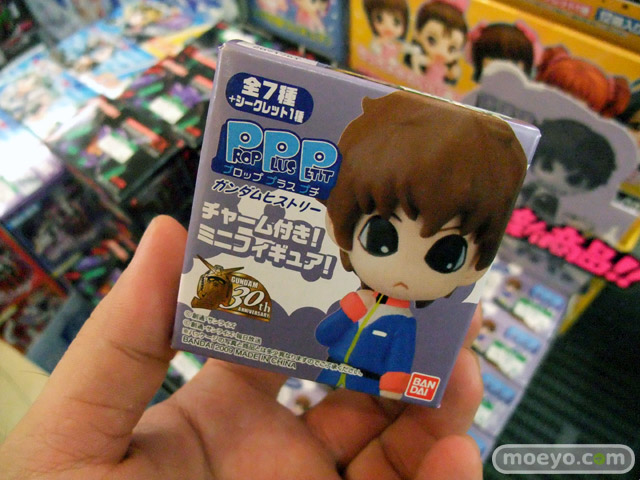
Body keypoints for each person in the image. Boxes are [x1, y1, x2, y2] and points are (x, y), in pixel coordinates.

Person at [0, 216, 484, 479]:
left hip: (366, 385)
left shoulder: (404, 320)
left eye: (444, 256)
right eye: (381, 239)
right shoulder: (354, 299)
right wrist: (346, 313)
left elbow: (400, 354)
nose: (403, 270)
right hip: (332, 369)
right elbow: (323, 337)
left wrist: (397, 377)